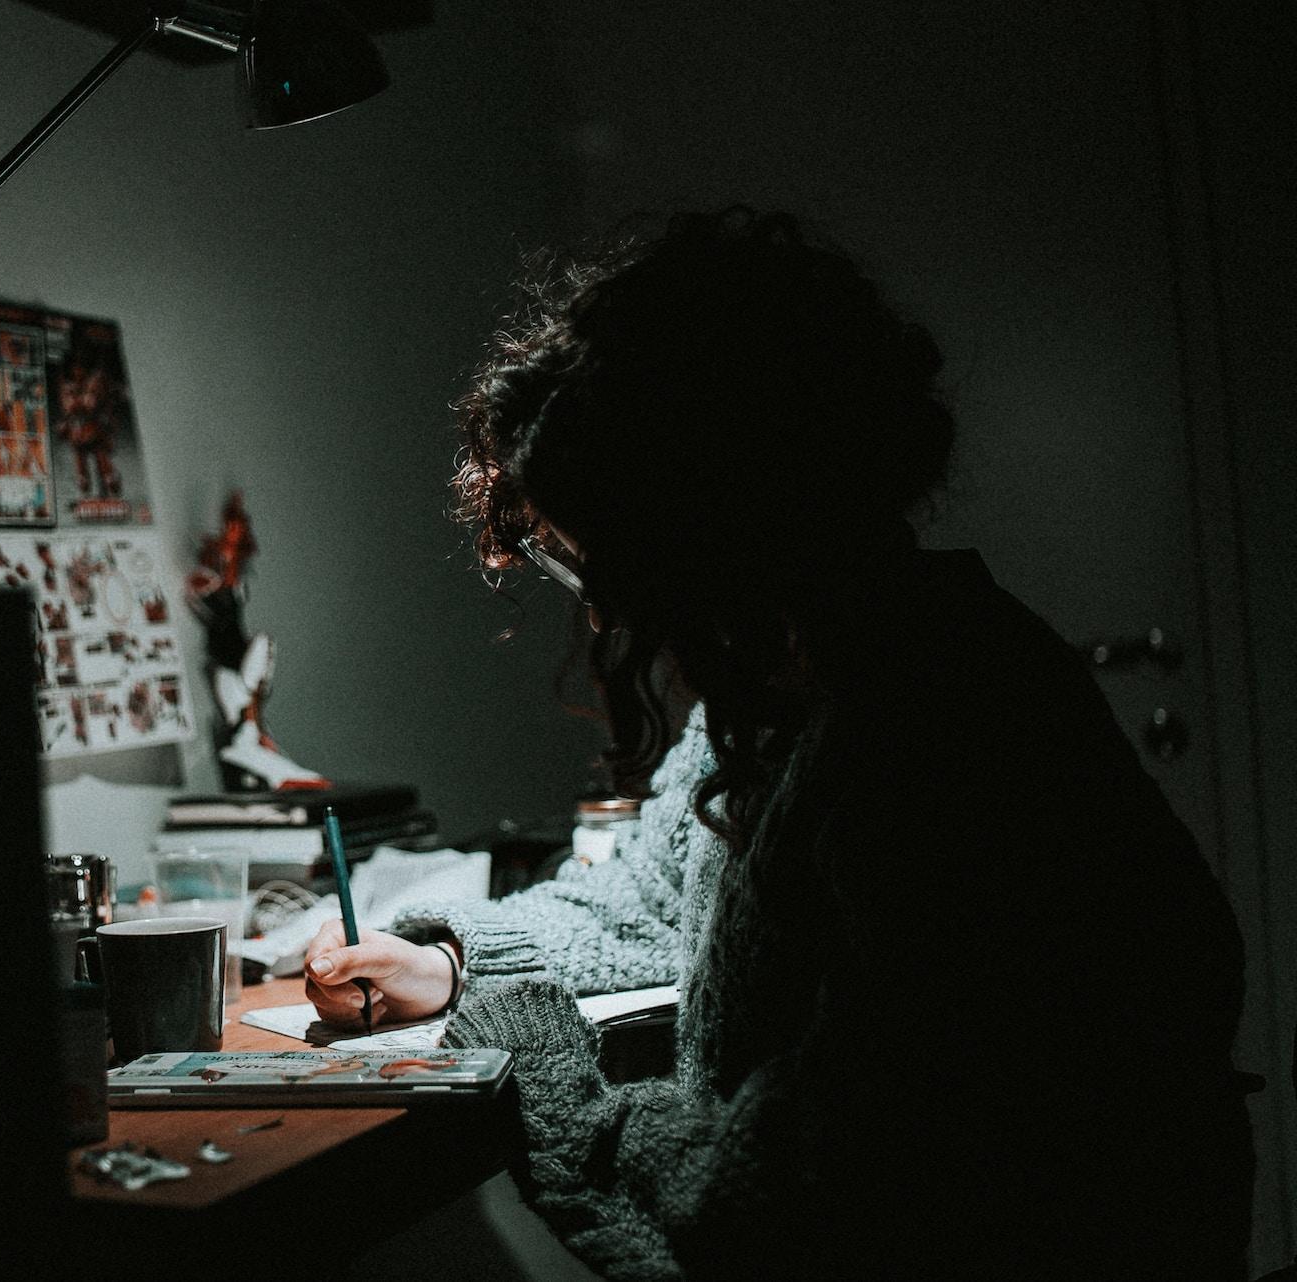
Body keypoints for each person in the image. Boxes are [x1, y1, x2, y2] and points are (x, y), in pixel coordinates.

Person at [303, 208, 1254, 1280]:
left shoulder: (935, 736)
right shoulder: (782, 686)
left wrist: (529, 1052)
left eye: (600, 567)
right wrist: (448, 959)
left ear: (715, 520)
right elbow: (651, 900)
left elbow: (766, 1211)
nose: (610, 622)